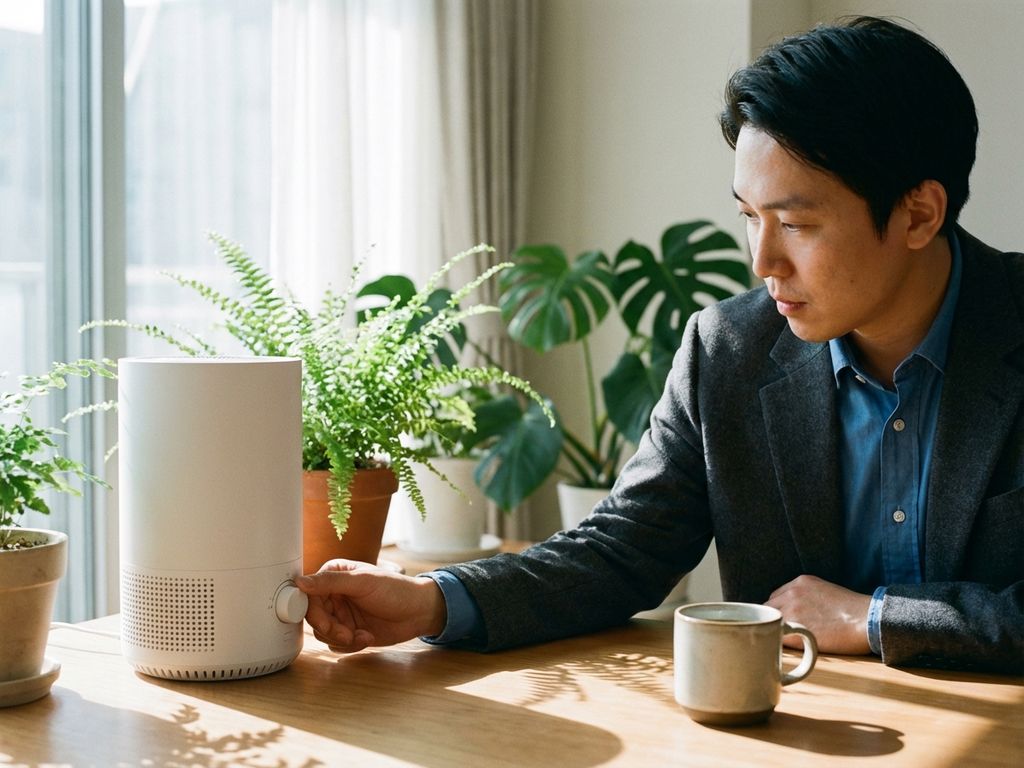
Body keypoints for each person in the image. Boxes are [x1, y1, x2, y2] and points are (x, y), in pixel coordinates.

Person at [296, 15, 1023, 673]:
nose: (762, 262)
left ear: (919, 213)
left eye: (797, 224)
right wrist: (429, 601)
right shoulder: (729, 349)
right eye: (749, 216)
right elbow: (621, 551)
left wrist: (872, 618)